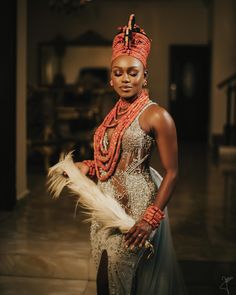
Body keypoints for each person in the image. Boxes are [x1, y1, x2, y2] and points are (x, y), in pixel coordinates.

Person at [74, 14, 187, 295]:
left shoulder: (157, 115)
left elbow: (172, 173)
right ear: (110, 79)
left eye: (132, 72)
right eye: (118, 72)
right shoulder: (112, 115)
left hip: (134, 210)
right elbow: (113, 154)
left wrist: (150, 218)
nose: (125, 79)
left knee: (121, 282)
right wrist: (89, 164)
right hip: (105, 206)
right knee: (103, 278)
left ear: (144, 76)